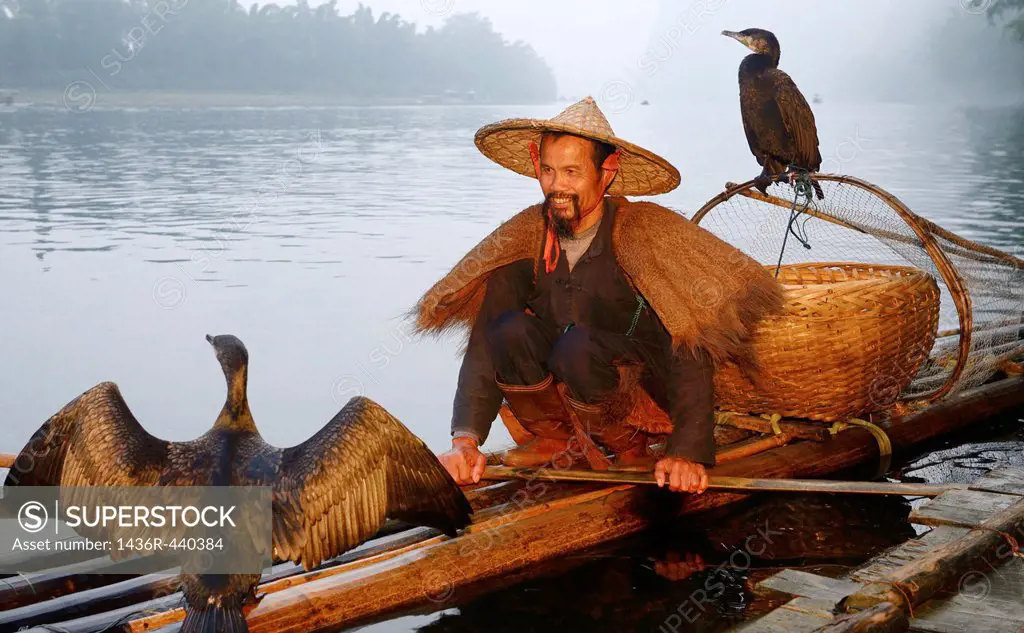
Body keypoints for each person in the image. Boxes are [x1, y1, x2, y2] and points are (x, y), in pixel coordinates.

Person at [411, 97, 783, 494]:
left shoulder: (643, 234)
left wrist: (688, 451)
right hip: (570, 384)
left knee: (578, 346)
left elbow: (689, 345)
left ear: (606, 172)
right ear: (537, 166)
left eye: (572, 172)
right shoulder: (526, 236)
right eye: (549, 171)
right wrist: (464, 442)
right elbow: (486, 343)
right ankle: (553, 436)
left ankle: (629, 443)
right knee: (508, 329)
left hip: (640, 392)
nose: (557, 186)